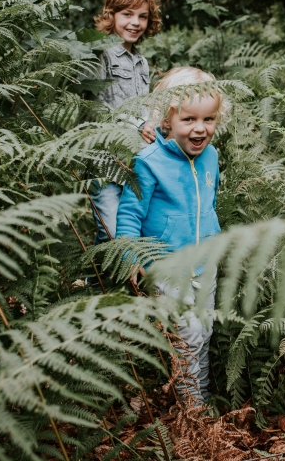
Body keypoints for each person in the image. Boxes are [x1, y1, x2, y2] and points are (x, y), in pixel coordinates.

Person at [116, 66, 229, 404]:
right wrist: (131, 258)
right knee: (190, 334)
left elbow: (209, 203)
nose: (200, 129)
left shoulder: (211, 157)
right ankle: (193, 410)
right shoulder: (149, 161)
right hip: (165, 265)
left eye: (208, 120)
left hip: (204, 264)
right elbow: (129, 213)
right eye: (189, 119)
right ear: (167, 120)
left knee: (204, 332)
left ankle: (199, 402)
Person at [88, 0, 162, 243]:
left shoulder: (141, 62)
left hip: (137, 159)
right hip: (106, 160)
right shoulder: (101, 55)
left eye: (142, 17)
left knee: (132, 226)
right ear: (111, 15)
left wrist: (153, 121)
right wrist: (135, 127)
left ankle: (126, 283)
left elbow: (143, 102)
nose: (135, 23)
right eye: (127, 14)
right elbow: (96, 108)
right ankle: (94, 283)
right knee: (109, 228)